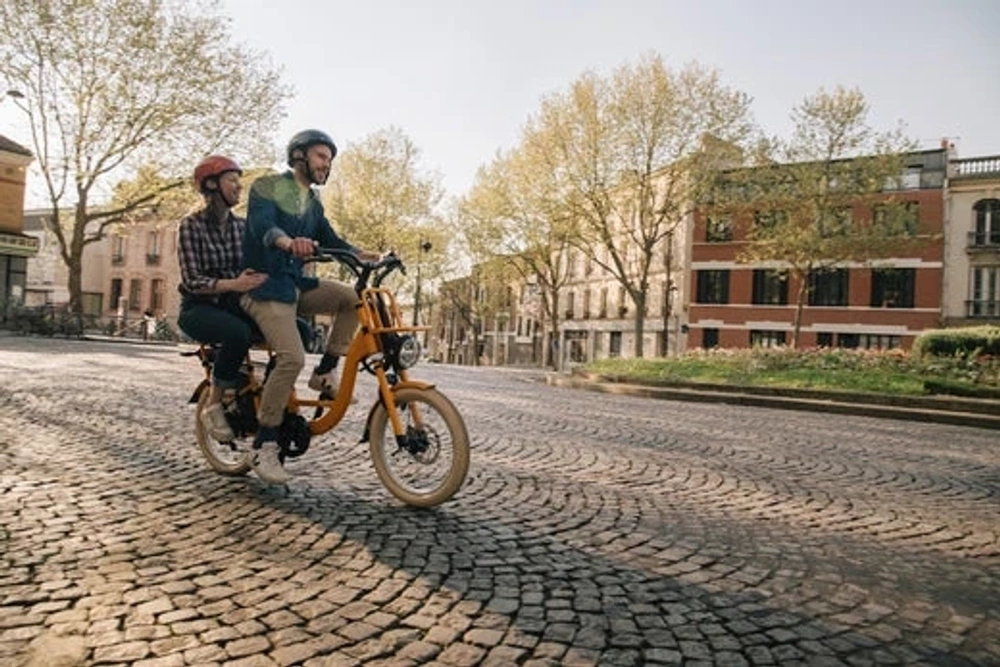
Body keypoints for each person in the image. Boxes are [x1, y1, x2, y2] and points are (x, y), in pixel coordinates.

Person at [241, 129, 378, 484]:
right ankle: (264, 443)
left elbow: (333, 241)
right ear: (299, 155)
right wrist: (288, 243)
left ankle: (326, 371)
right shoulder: (267, 186)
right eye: (321, 156)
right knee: (292, 357)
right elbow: (263, 227)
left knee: (352, 298)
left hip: (295, 285)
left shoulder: (313, 202)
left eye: (330, 160)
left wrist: (368, 255)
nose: (326, 165)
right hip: (263, 286)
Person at [177, 155, 267, 443]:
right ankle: (214, 404)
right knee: (237, 333)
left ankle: (267, 398)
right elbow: (192, 280)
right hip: (199, 308)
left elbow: (254, 263)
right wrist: (235, 283)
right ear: (212, 185)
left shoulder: (241, 227)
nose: (238, 186)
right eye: (232, 180)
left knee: (299, 329)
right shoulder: (190, 226)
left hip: (234, 304)